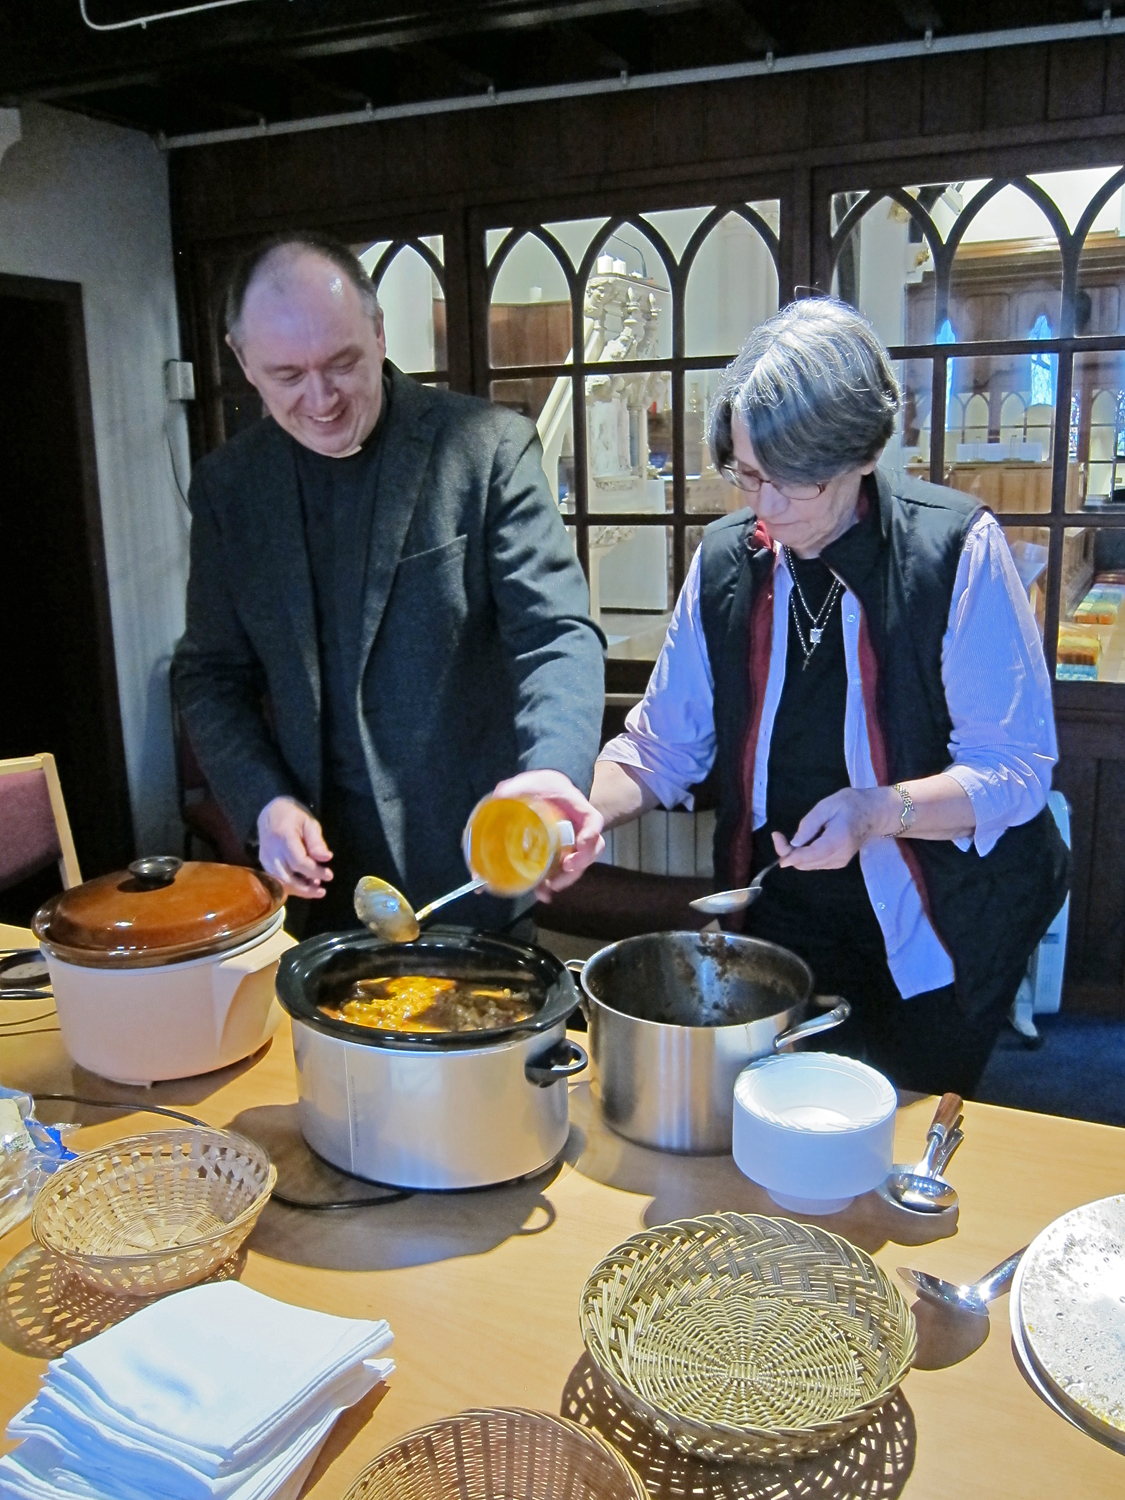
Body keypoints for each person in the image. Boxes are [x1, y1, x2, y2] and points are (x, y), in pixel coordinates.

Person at [565, 298, 1068, 1098]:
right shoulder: (729, 562)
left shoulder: (952, 550)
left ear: (862, 454)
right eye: (745, 473)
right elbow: (663, 746)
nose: (762, 507)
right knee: (778, 1116)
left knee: (899, 1116)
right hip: (784, 909)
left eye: (790, 482)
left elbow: (1011, 769)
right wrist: (583, 809)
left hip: (941, 917)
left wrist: (875, 811)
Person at [172, 233, 605, 934]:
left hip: (470, 862)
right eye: (286, 375)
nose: (320, 400)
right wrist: (263, 803)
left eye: (342, 363)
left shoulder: (485, 448)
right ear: (242, 359)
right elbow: (209, 674)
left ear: (378, 333)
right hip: (318, 882)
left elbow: (552, 635)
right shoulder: (230, 487)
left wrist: (552, 775)